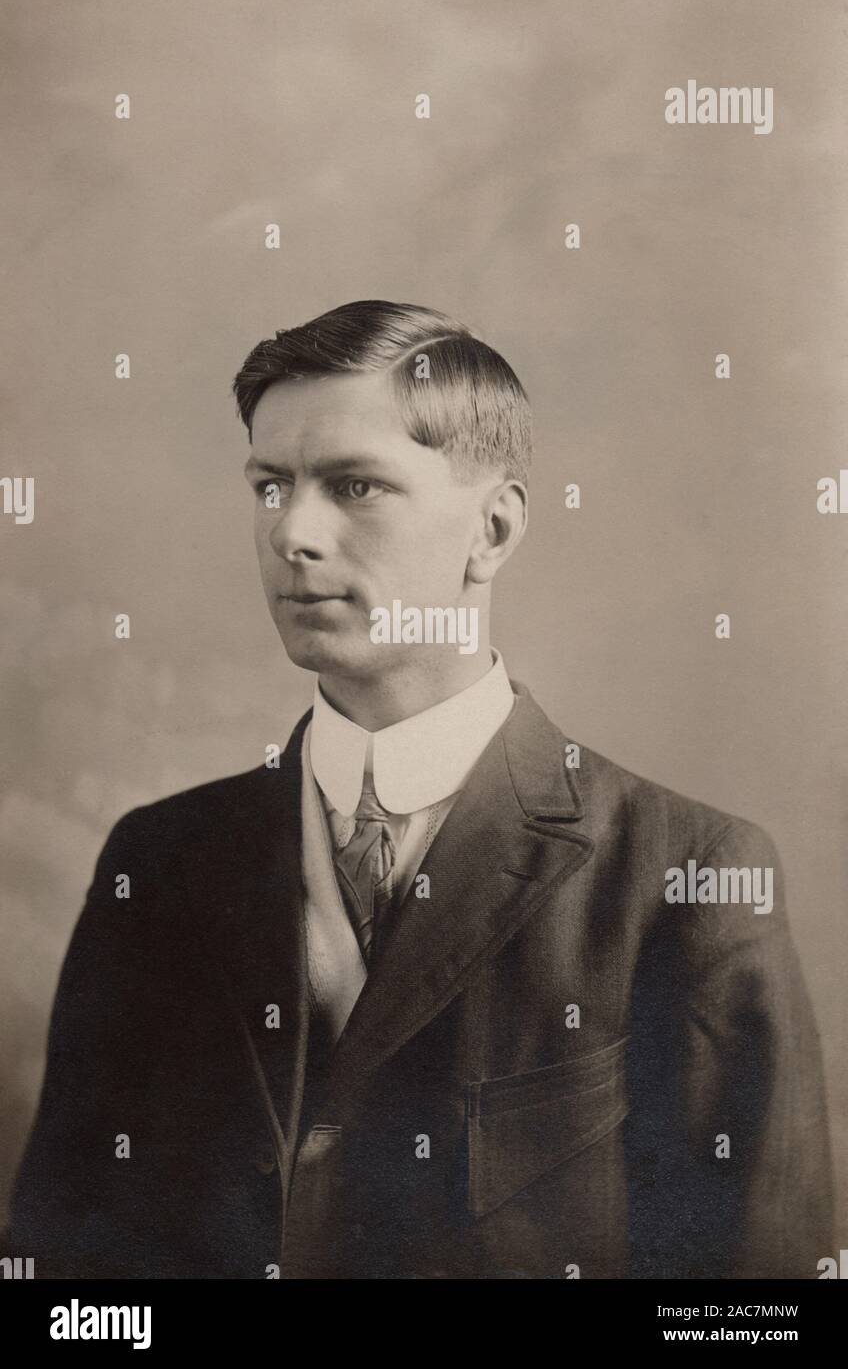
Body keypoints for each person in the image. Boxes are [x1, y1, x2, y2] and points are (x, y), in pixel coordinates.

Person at [8, 300, 833, 1279]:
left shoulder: (683, 876)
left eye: (353, 486)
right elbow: (68, 1278)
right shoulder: (158, 861)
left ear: (491, 529)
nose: (293, 534)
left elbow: (751, 1303)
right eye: (270, 486)